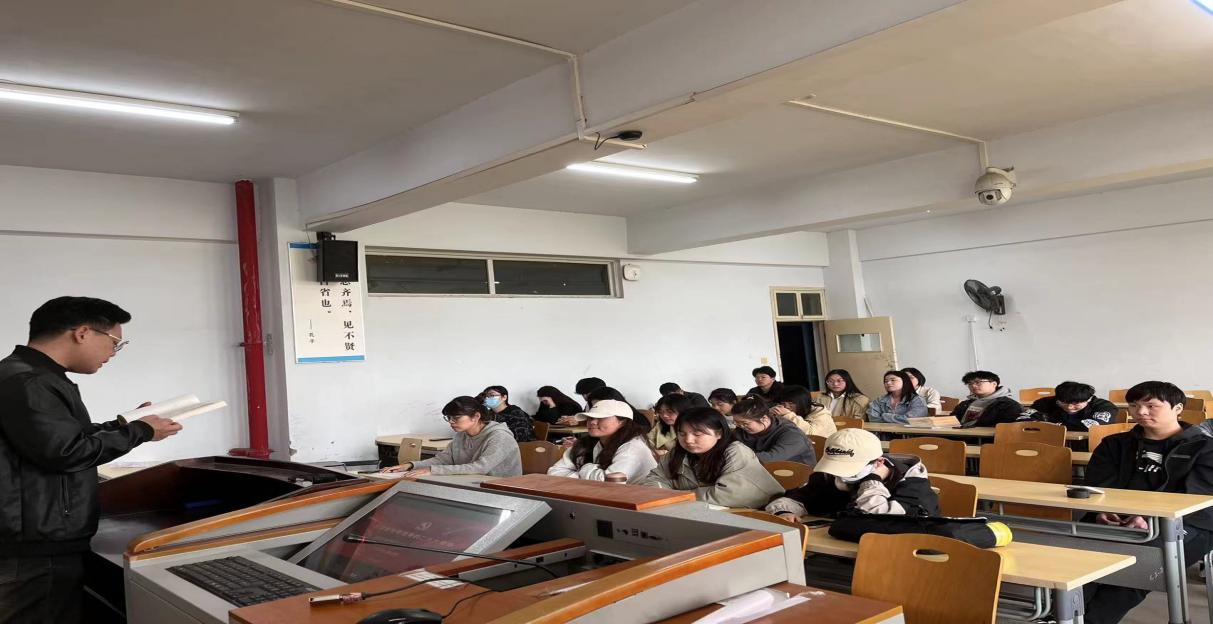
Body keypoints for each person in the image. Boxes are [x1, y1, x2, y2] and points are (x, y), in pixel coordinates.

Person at [0, 297, 183, 623]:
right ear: (83, 333)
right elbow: (66, 452)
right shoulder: (31, 381)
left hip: (34, 540)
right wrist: (140, 431)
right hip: (35, 550)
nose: (113, 353)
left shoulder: (26, 375)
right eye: (114, 342)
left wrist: (123, 425)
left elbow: (59, 437)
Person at [1081, 381, 1213, 623]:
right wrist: (1102, 512)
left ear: (1177, 408)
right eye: (1134, 405)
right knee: (1078, 558)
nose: (1140, 412)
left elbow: (1199, 497)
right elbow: (1098, 487)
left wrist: (1150, 518)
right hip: (1117, 520)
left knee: (1139, 566)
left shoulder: (1205, 448)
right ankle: (1064, 615)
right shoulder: (1115, 444)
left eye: (1151, 406)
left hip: (1189, 524)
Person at [766, 428, 939, 519]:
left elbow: (883, 519)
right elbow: (797, 497)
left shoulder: (911, 481)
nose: (840, 474)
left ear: (878, 462)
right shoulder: (828, 475)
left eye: (848, 468)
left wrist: (872, 481)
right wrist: (784, 512)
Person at [641, 407, 785, 509]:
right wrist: (672, 497)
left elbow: (731, 495)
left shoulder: (734, 451)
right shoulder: (677, 453)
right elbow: (654, 480)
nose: (688, 440)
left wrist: (677, 497)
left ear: (719, 433)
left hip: (750, 515)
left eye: (697, 434)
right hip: (694, 512)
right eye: (682, 434)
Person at [384, 396, 522, 478]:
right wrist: (411, 465)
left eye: (456, 418)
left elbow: (480, 468)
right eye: (448, 418)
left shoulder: (499, 436)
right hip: (471, 484)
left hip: (500, 490)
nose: (450, 422)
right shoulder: (462, 435)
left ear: (476, 417)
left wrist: (432, 471)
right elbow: (444, 459)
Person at [548, 399, 656, 483]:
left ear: (622, 422)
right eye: (590, 418)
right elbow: (554, 472)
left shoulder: (632, 448)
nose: (592, 422)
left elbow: (612, 483)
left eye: (601, 418)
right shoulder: (588, 442)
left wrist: (585, 468)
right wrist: (585, 476)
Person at [731, 397, 816, 466]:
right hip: (761, 473)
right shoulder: (741, 430)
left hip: (797, 475)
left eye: (745, 423)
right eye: (736, 422)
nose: (740, 426)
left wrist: (733, 458)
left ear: (764, 418)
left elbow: (769, 459)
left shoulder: (792, 434)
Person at [951, 371, 1031, 427]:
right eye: (970, 383)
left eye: (978, 382)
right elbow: (951, 421)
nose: (973, 386)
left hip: (987, 441)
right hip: (960, 437)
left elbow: (1008, 429)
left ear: (994, 384)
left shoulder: (1008, 405)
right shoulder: (965, 404)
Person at [1030, 381, 1118, 431]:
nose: (1069, 407)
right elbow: (1025, 421)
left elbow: (1093, 426)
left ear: (1089, 399)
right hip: (1050, 443)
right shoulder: (1044, 403)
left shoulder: (1104, 406)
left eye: (1076, 404)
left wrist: (1052, 426)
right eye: (1063, 402)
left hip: (1089, 445)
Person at [770, 385, 836, 437]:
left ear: (802, 403)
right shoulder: (783, 410)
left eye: (791, 403)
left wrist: (788, 415)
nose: (786, 407)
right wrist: (770, 414)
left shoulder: (821, 413)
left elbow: (812, 435)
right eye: (783, 403)